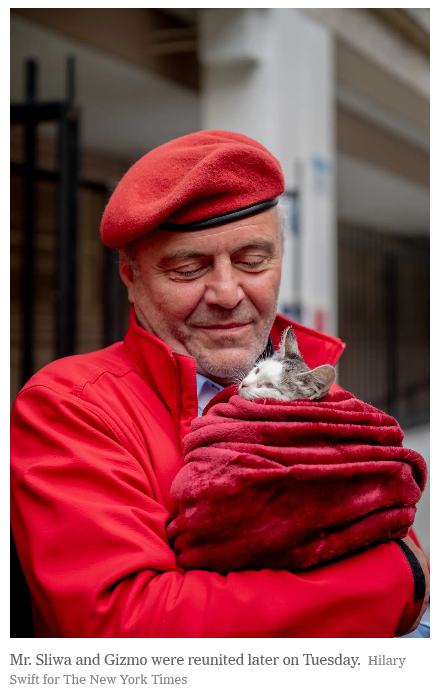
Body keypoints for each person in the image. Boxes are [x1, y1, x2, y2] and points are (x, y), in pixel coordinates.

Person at [10, 130, 429, 638]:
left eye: (254, 261)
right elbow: (129, 632)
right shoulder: (70, 406)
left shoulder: (320, 390)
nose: (228, 294)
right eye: (188, 268)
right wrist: (388, 582)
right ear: (130, 274)